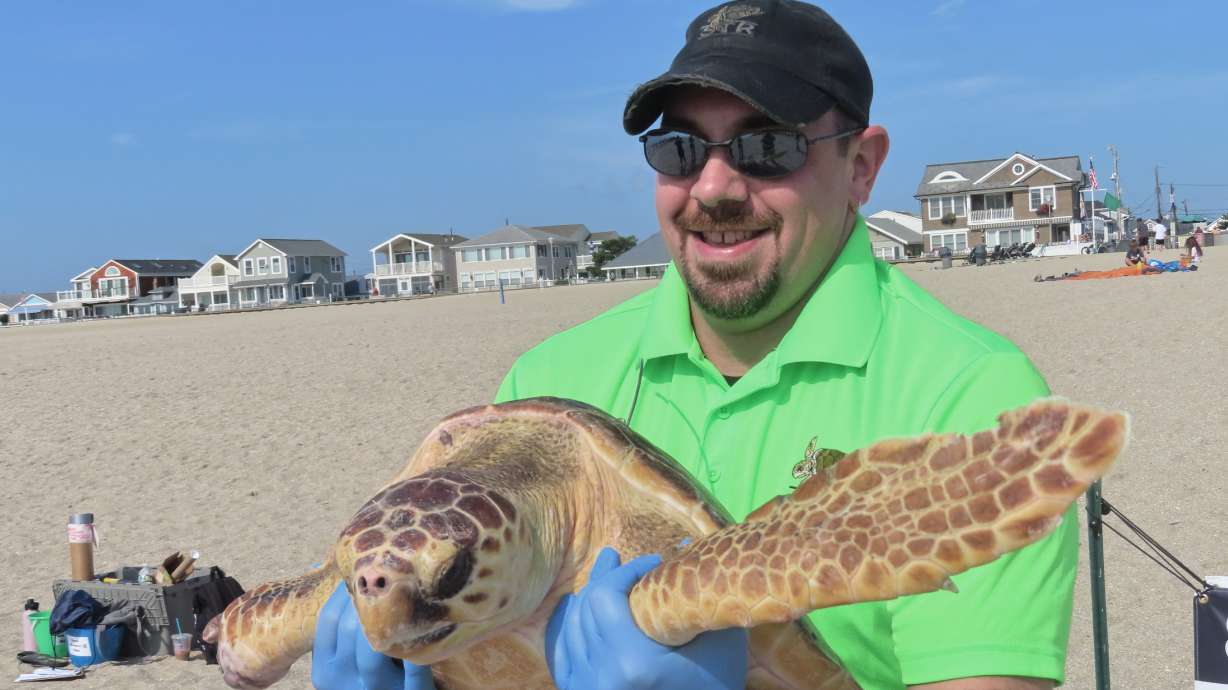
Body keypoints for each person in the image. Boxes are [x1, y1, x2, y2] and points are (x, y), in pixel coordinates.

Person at [312, 1, 1075, 688]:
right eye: (679, 149)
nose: (712, 187)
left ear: (862, 165)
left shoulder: (972, 396)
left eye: (765, 147)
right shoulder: (548, 379)